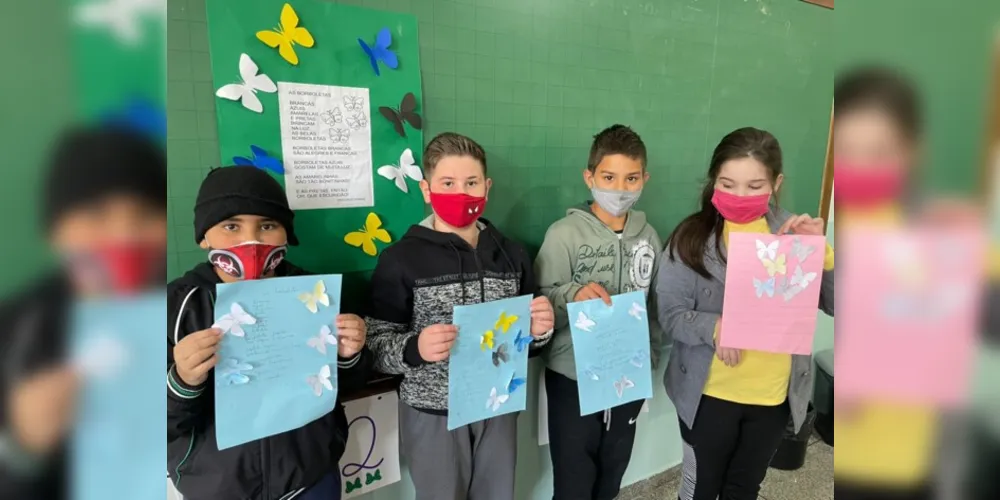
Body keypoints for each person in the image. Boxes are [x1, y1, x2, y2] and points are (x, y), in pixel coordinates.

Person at [366, 132, 556, 500]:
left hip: (498, 407)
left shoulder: (511, 254)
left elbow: (526, 342)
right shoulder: (400, 259)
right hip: (433, 413)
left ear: (487, 187)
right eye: (448, 183)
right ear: (426, 189)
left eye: (471, 183)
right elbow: (375, 346)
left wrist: (539, 331)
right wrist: (415, 347)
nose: (461, 194)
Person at [166, 166, 372, 500]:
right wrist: (183, 381)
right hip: (220, 488)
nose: (252, 240)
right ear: (204, 236)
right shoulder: (178, 306)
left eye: (267, 225)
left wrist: (350, 356)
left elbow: (341, 385)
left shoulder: (316, 294)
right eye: (231, 226)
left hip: (310, 478)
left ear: (286, 235)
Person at [656, 127, 834, 500]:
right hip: (710, 393)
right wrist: (716, 328)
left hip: (771, 398)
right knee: (700, 486)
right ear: (714, 182)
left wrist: (823, 256)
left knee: (744, 488)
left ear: (776, 183)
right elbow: (670, 314)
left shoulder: (793, 235)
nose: (740, 195)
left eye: (754, 186)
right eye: (728, 183)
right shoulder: (690, 238)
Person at [0, 125, 167, 498]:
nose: (125, 235)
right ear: (56, 231)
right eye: (96, 213)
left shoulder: (186, 306)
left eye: (144, 213)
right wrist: (23, 447)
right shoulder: (13, 332)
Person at [534, 124, 663, 499]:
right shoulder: (563, 234)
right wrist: (573, 295)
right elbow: (541, 300)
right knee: (573, 481)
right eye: (609, 177)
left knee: (612, 475)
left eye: (631, 178)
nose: (620, 189)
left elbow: (654, 303)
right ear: (589, 176)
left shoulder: (649, 236)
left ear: (644, 179)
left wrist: (650, 357)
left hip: (627, 376)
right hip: (572, 379)